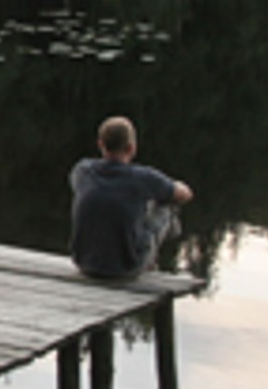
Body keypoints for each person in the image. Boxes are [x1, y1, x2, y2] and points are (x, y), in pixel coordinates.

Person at [69, 115, 192, 279]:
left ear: (100, 144)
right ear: (131, 148)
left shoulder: (82, 171)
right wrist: (175, 184)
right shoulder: (143, 177)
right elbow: (185, 195)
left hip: (83, 263)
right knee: (164, 206)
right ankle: (150, 259)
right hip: (125, 269)